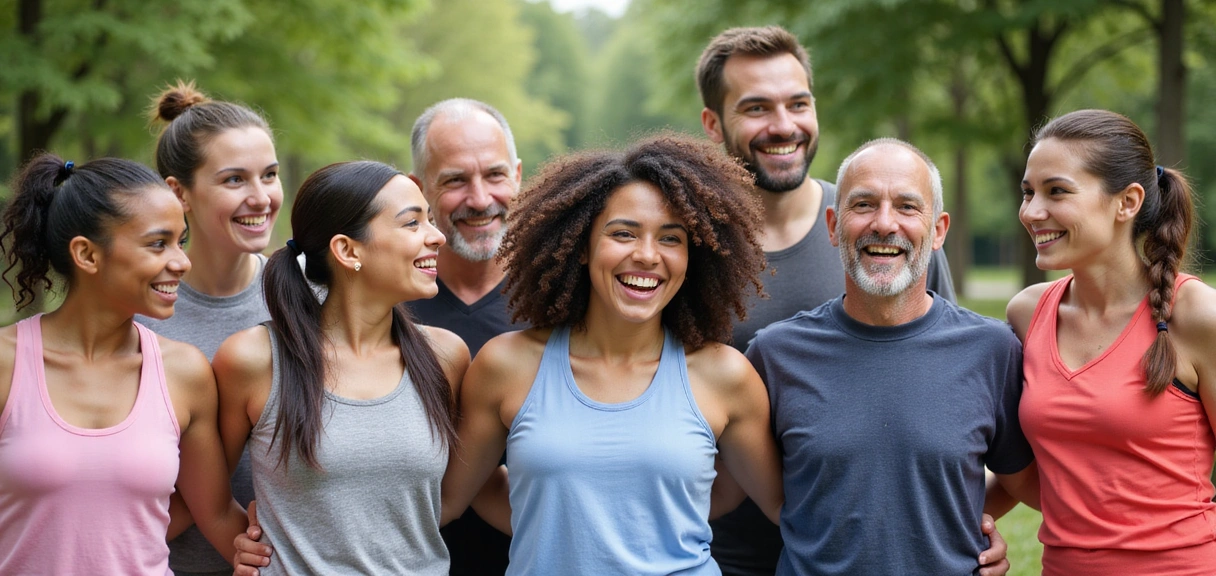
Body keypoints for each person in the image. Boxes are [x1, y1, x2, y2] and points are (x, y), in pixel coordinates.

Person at [694, 26, 972, 575]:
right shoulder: (683, 255)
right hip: (727, 558)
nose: (783, 126)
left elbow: (947, 394)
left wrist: (965, 529)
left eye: (798, 103)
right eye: (756, 107)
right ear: (713, 124)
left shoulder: (883, 235)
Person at [440, 133, 783, 574]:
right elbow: (456, 496)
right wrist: (551, 523)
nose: (646, 256)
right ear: (582, 247)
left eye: (671, 239)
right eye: (623, 234)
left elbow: (771, 502)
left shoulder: (725, 375)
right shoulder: (506, 366)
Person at [746, 138, 1038, 576]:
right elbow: (754, 490)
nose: (884, 224)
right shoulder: (775, 356)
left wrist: (969, 526)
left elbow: (1023, 480)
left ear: (938, 230)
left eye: (906, 206)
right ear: (833, 225)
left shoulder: (992, 351)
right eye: (863, 205)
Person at [214, 160, 467, 574]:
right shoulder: (254, 359)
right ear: (348, 250)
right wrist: (241, 547)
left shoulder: (446, 357)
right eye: (412, 223)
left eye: (431, 221)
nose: (437, 236)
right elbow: (205, 496)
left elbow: (450, 498)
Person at [0, 154, 247, 574]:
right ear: (87, 254)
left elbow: (219, 516)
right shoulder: (6, 364)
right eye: (158, 243)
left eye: (180, 242)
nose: (181, 261)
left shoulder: (184, 372)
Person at [1008, 109, 1216, 575]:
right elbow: (1023, 473)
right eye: (1028, 193)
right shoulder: (1027, 314)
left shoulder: (1197, 315)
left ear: (1127, 202)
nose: (1031, 212)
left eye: (1056, 191)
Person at [135, 80, 283, 576]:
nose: (260, 197)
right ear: (179, 193)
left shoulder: (307, 301)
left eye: (270, 175)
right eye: (235, 180)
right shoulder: (134, 314)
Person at [404, 98, 523, 574]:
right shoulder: (379, 302)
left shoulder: (569, 301)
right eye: (455, 180)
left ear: (517, 175)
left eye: (495, 175)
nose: (479, 199)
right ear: (418, 190)